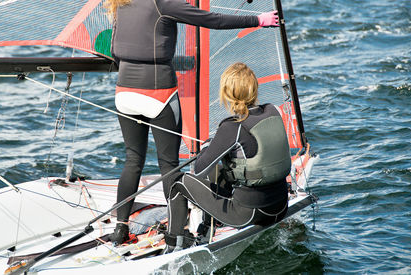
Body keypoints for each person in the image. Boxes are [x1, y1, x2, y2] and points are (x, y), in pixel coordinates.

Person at [104, 0, 280, 245]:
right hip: (157, 94)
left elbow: (115, 50)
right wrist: (258, 20)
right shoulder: (161, 3)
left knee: (133, 159)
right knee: (169, 165)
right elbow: (213, 20)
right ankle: (177, 231)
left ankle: (120, 228)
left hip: (123, 94)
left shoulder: (119, 3)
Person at [164, 62, 292, 252]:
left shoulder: (232, 126)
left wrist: (208, 146)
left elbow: (199, 169)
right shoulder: (273, 110)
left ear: (226, 93)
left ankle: (173, 245)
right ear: (254, 88)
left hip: (249, 214)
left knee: (178, 183)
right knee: (225, 168)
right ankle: (206, 231)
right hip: (280, 206)